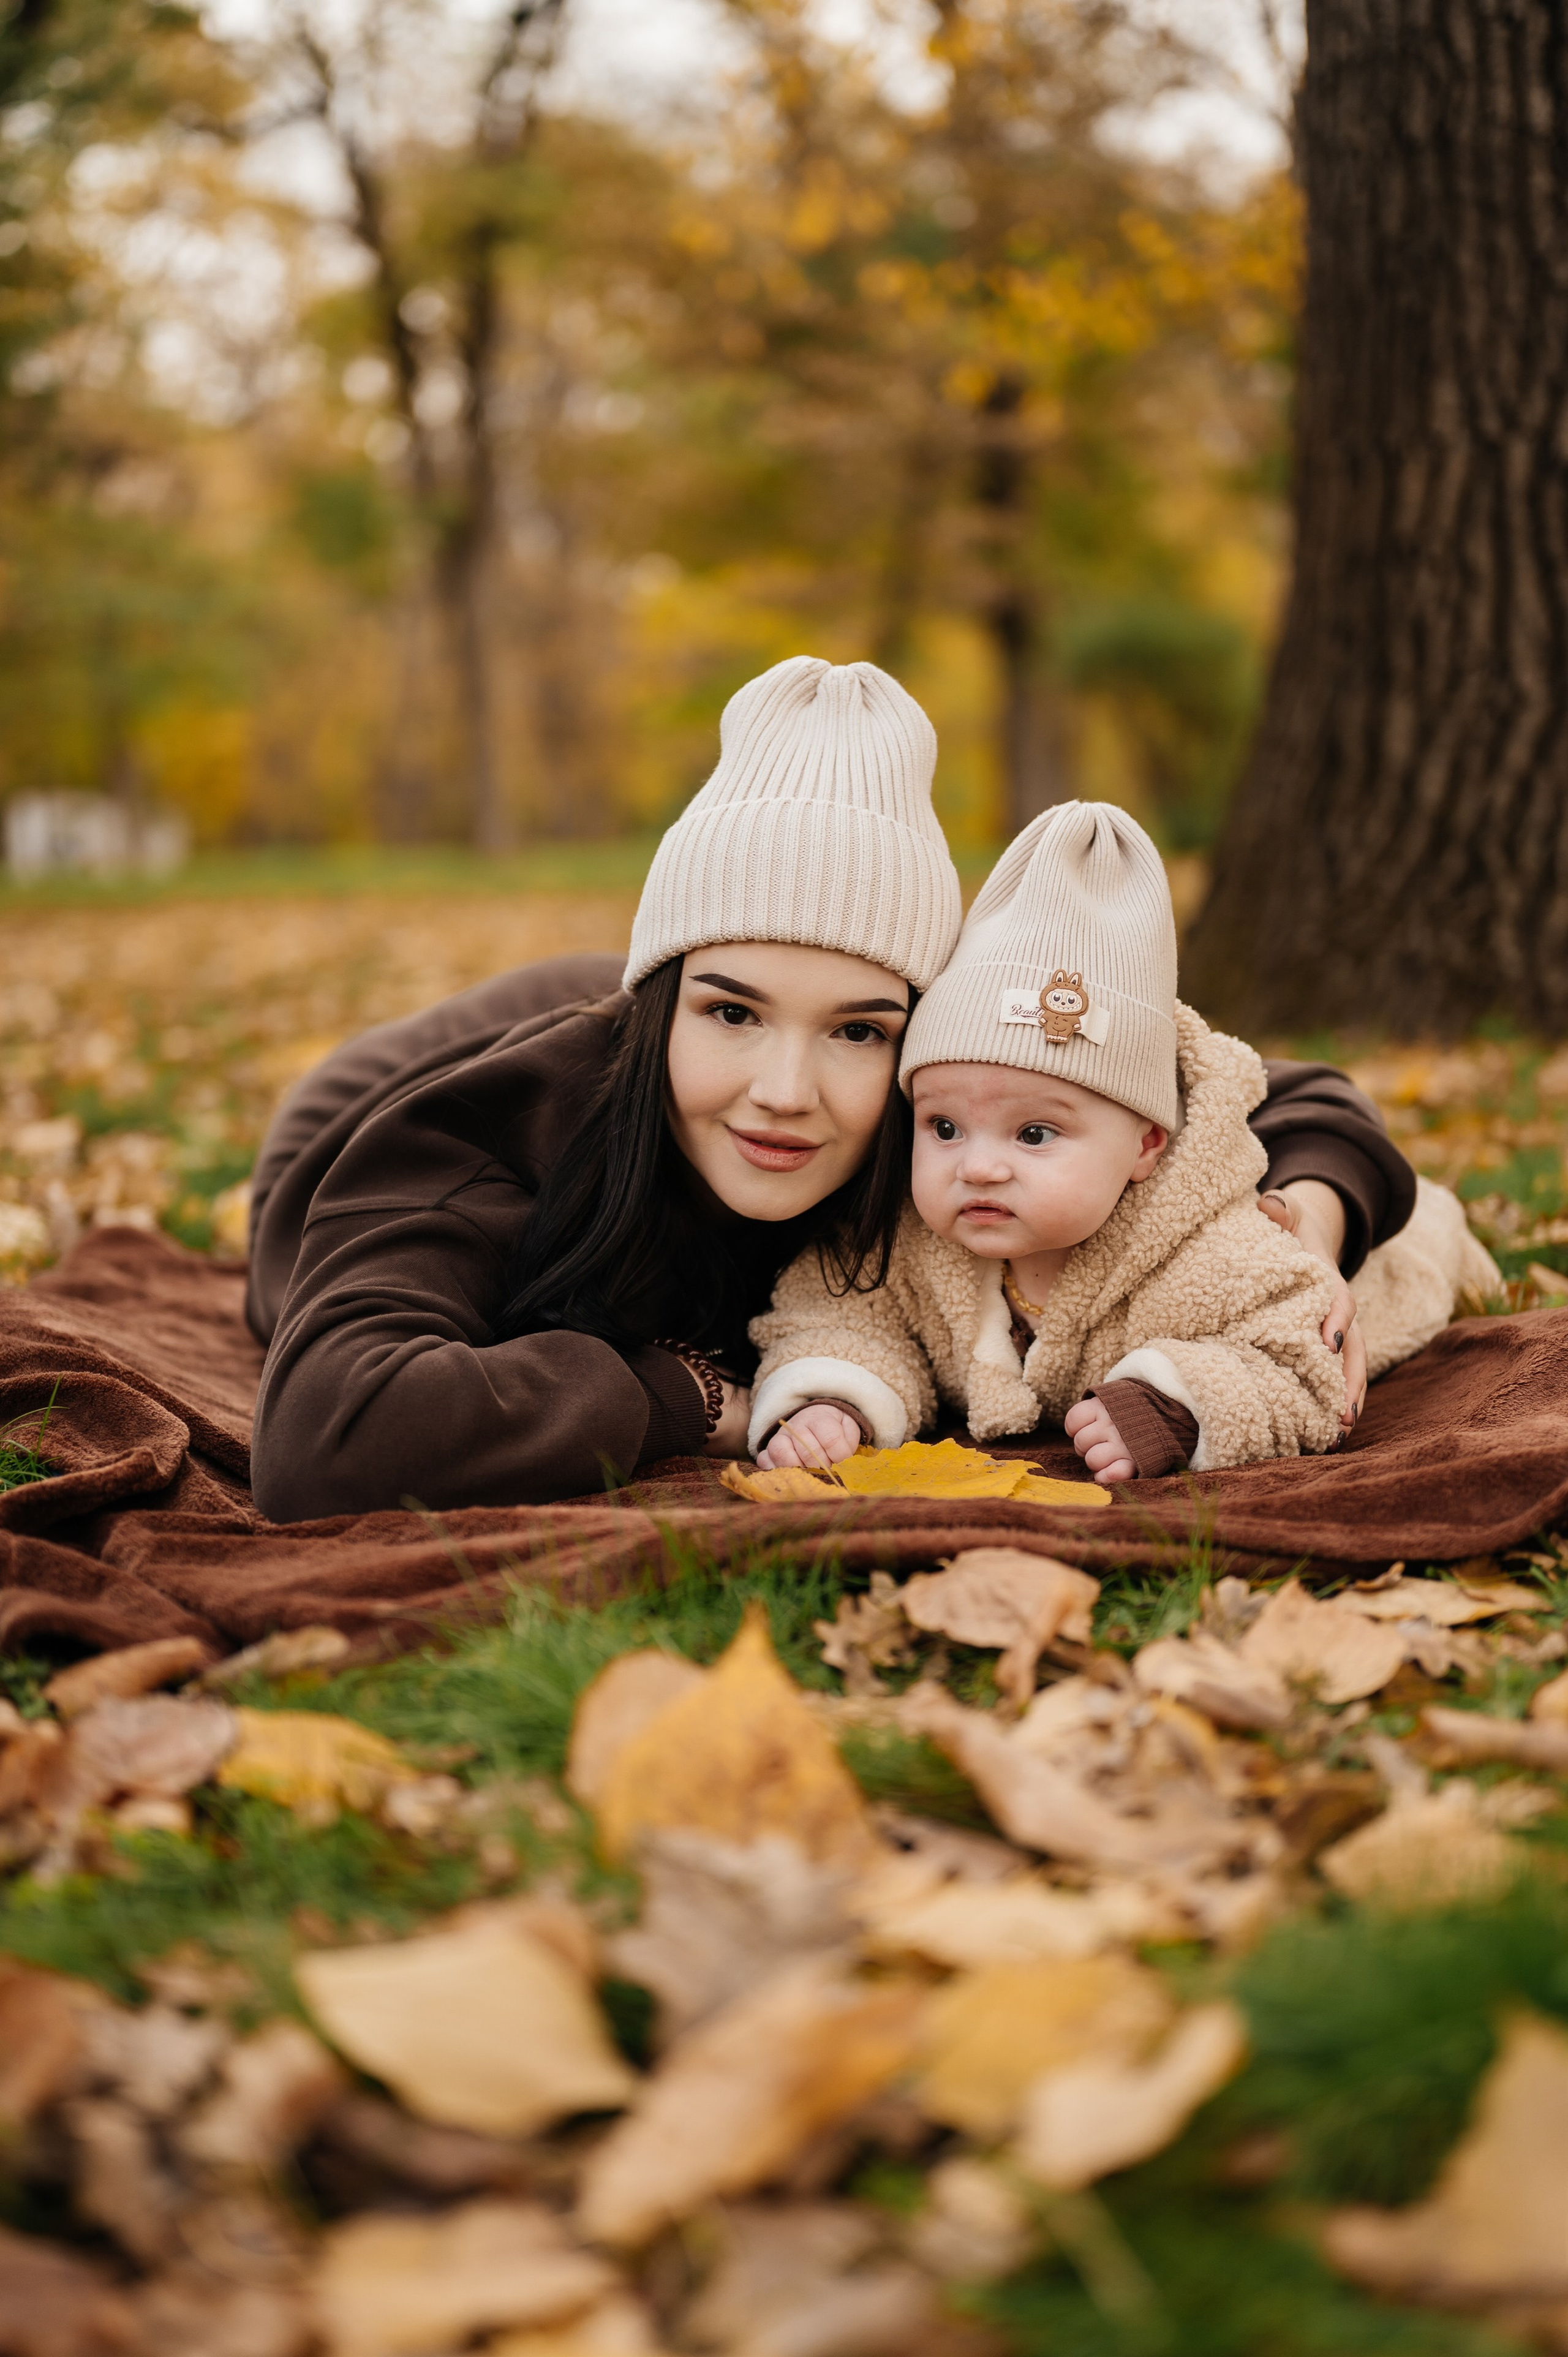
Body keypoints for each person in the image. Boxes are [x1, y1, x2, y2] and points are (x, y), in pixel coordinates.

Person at [247, 660, 1417, 1522]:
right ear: (668, 1004)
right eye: (732, 1010)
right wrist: (677, 1391)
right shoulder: (497, 1132)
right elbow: (327, 1437)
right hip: (368, 1107)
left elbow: (1253, 1093)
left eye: (860, 1029)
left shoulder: (949, 1106)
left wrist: (1306, 1219)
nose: (786, 1094)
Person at [750, 803, 1494, 1484]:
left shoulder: (1215, 1253)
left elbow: (1302, 1367)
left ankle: (1447, 1234)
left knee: (1429, 1248)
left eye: (1035, 1133)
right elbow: (838, 1311)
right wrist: (832, 1397)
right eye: (943, 1127)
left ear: (1145, 1143)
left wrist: (1175, 1402)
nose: (977, 1164)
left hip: (1400, 1257)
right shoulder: (912, 1246)